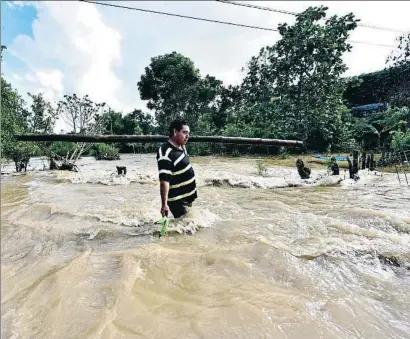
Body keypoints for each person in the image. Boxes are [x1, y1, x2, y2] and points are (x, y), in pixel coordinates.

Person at [156, 119, 197, 218]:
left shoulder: (180, 146)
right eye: (184, 133)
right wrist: (164, 205)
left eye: (188, 133)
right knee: (186, 229)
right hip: (177, 200)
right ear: (175, 132)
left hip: (186, 198)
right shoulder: (166, 153)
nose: (187, 136)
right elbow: (164, 180)